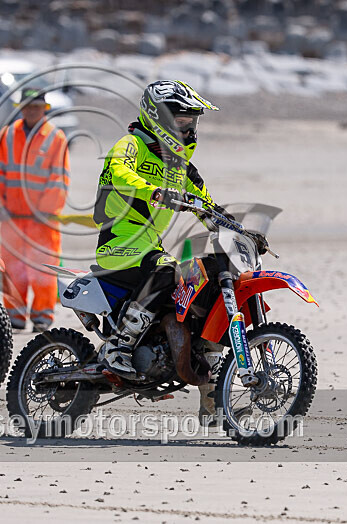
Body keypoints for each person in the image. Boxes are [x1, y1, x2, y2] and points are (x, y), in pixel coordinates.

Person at [93, 79, 233, 377]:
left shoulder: (182, 169)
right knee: (168, 271)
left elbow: (207, 207)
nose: (189, 130)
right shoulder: (131, 145)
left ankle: (208, 371)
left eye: (192, 123)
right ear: (158, 118)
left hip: (150, 247)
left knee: (205, 278)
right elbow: (119, 173)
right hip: (118, 244)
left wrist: (239, 231)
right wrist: (155, 191)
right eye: (182, 122)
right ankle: (119, 344)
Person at [0, 88, 70, 332]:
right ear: (21, 107)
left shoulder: (56, 138)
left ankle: (42, 316)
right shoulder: (8, 135)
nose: (31, 111)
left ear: (44, 109)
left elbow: (59, 179)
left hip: (42, 220)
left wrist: (45, 210)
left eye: (36, 106)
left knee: (43, 268)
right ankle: (14, 315)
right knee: (12, 267)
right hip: (13, 218)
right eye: (27, 106)